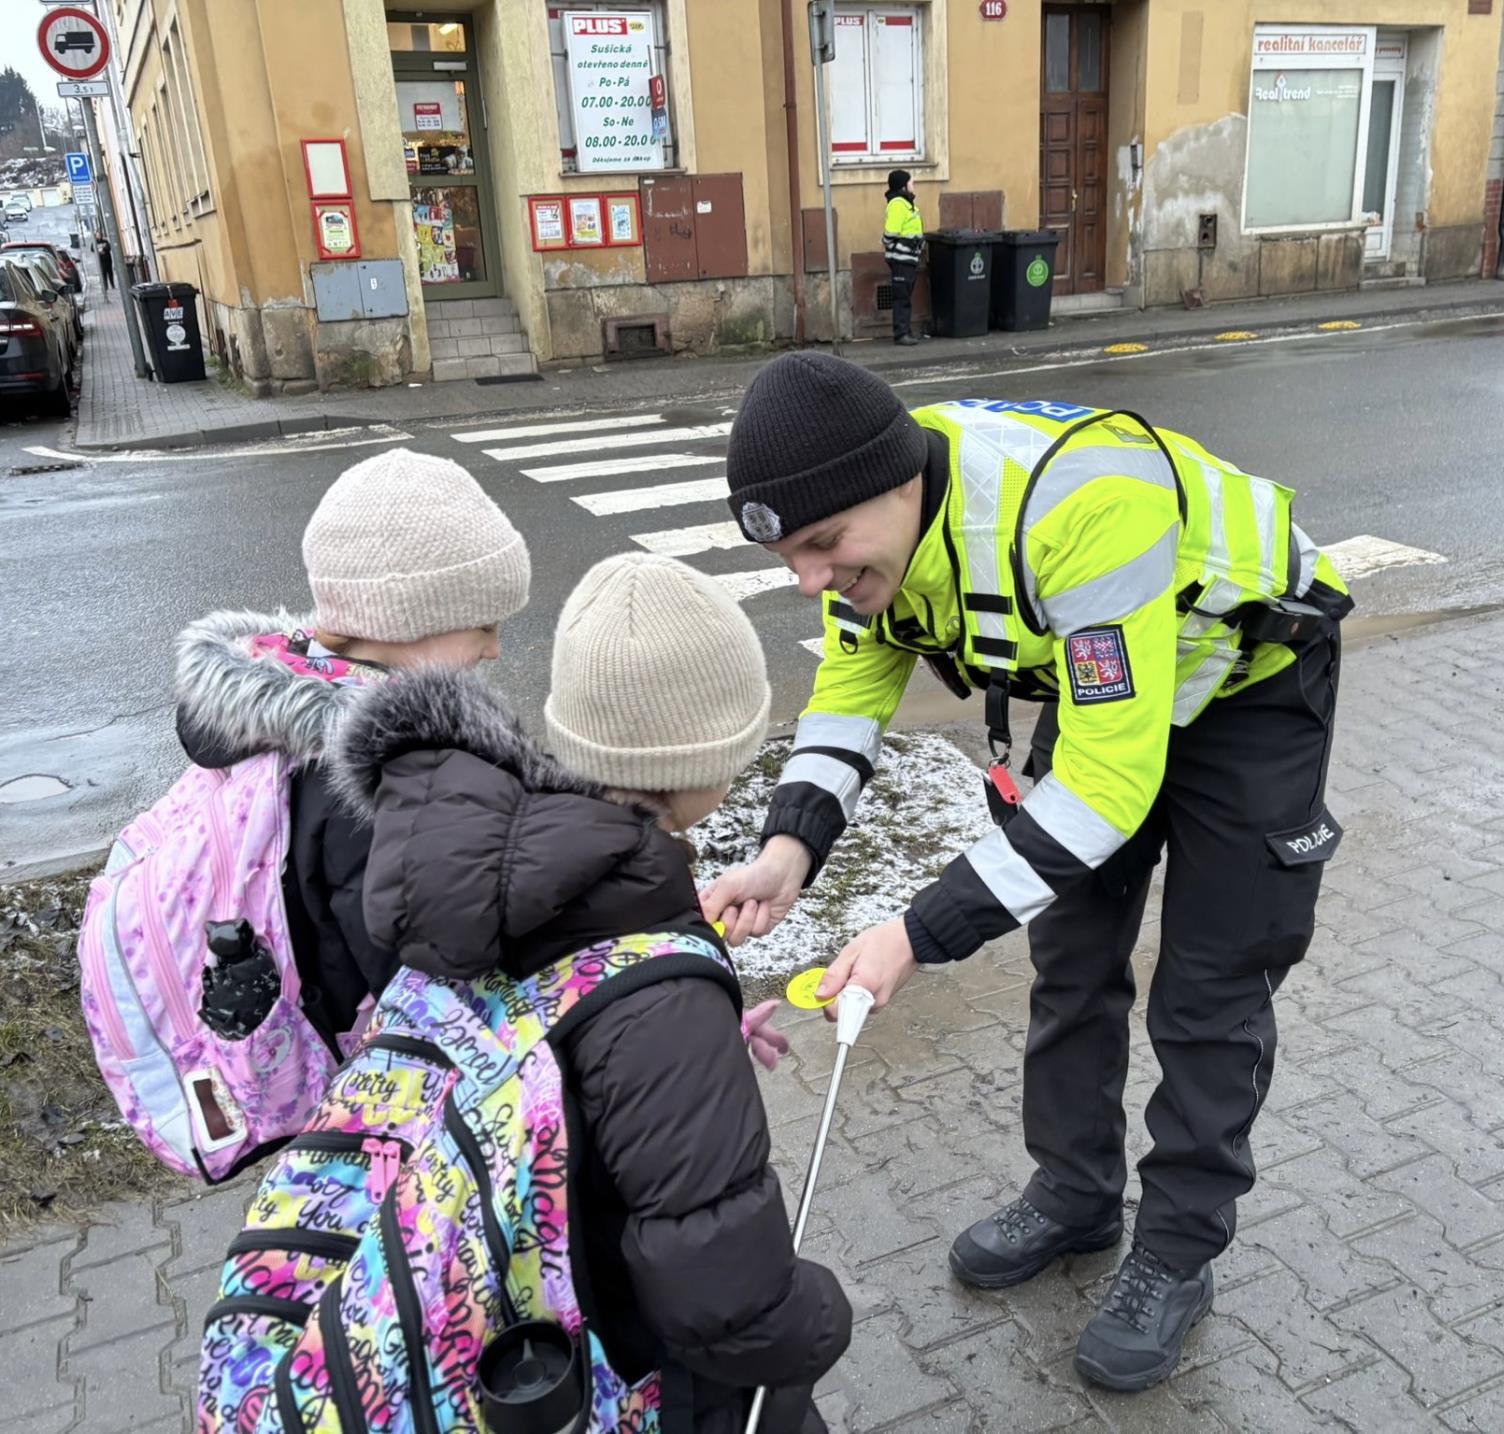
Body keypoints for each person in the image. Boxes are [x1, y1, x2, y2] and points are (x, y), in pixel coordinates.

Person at [700, 353, 1351, 1392]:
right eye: (789, 558)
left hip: (1247, 685)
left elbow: (1104, 791)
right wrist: (789, 851)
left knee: (1209, 991)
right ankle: (1077, 1192)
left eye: (823, 547)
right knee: (1073, 956)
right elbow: (851, 691)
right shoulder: (869, 532)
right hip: (1108, 690)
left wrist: (916, 934)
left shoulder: (1082, 507)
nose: (810, 580)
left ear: (899, 485)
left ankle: (1176, 1253)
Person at [340, 552, 851, 1432]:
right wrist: (819, 1319)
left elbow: (547, 1040)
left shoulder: (491, 879)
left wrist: (683, 1060)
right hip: (641, 1368)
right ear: (702, 761)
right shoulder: (660, 995)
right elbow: (727, 1302)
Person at [172, 446, 530, 1053]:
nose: (494, 650)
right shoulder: (377, 779)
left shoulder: (273, 693)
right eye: (484, 626)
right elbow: (428, 981)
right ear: (409, 620)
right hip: (359, 1048)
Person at [882, 168, 923, 346]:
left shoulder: (906, 203)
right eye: (911, 182)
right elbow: (890, 233)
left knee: (905, 296)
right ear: (903, 186)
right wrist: (896, 246)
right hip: (901, 259)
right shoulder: (898, 204)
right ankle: (901, 334)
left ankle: (905, 331)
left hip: (908, 258)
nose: (913, 184)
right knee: (901, 298)